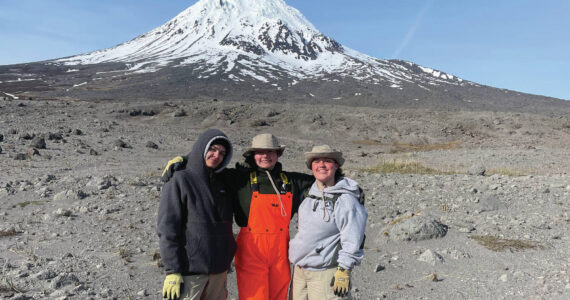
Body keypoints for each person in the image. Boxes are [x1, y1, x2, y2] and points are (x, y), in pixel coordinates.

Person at [161, 133, 313, 300]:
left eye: (271, 152)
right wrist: (184, 159)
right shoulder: (238, 178)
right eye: (260, 152)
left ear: (278, 154)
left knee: (279, 295)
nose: (265, 156)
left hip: (280, 254)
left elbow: (323, 178)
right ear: (252, 155)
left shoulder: (291, 180)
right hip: (252, 251)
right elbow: (208, 164)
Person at [157, 129, 237, 300]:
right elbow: (168, 228)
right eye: (212, 149)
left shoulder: (224, 181)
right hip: (190, 273)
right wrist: (172, 270)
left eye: (222, 153)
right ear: (202, 148)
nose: (217, 155)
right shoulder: (179, 179)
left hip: (219, 272)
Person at [288, 145, 367, 300]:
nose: (321, 165)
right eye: (316, 161)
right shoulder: (308, 193)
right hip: (300, 271)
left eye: (327, 160)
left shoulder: (345, 199)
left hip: (325, 273)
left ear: (336, 165)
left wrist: (344, 270)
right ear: (311, 165)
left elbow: (353, 239)